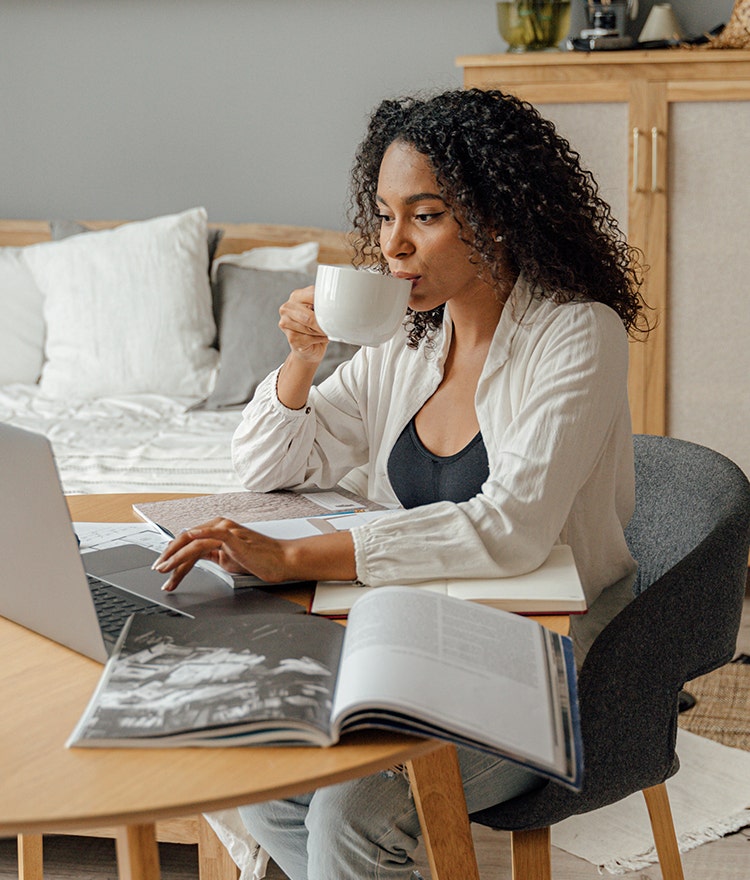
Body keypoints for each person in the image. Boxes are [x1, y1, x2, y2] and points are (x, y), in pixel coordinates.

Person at [154, 88, 648, 879]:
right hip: (418, 636)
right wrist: (304, 360)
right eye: (384, 216)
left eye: (424, 215)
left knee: (352, 809)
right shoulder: (410, 345)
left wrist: (302, 557)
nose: (394, 246)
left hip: (550, 650)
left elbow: (511, 529)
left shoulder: (577, 335)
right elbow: (265, 468)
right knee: (269, 778)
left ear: (498, 215)